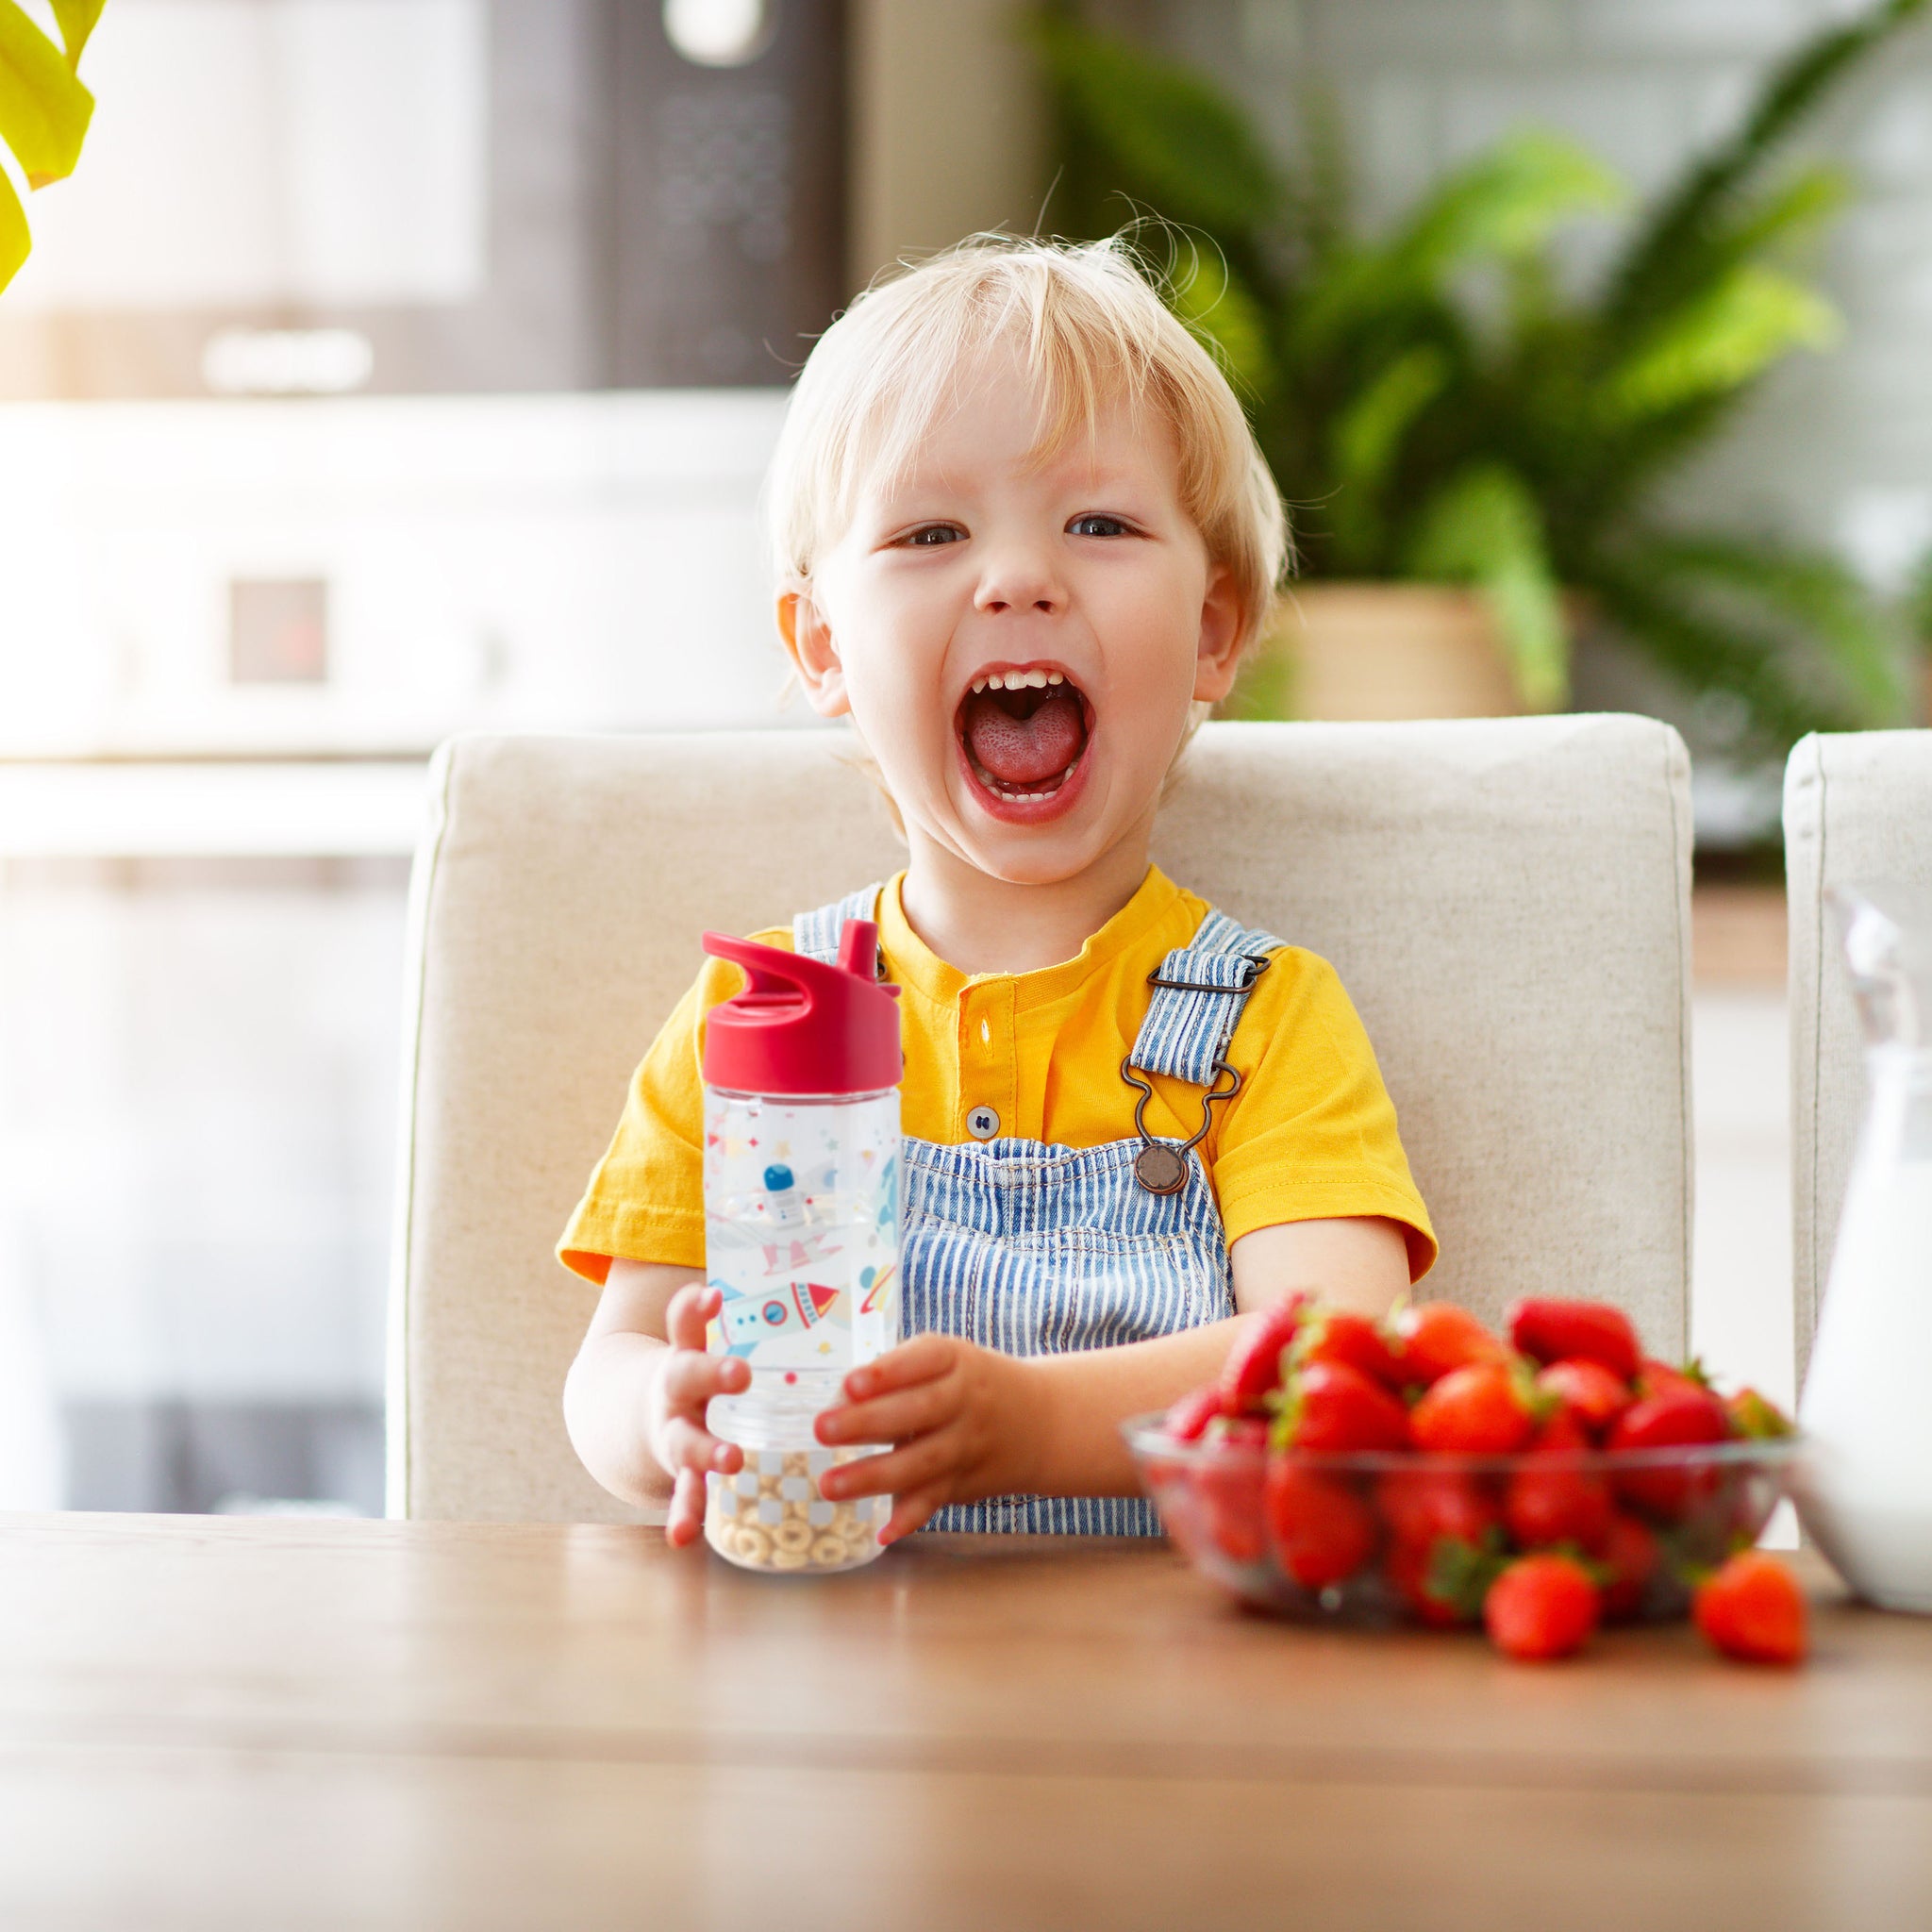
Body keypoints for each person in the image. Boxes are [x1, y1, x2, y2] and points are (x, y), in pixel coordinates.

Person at [558, 235, 1435, 1547]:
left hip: (1175, 1712)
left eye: (1099, 524)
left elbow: (1332, 1361)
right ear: (822, 647)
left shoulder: (1269, 1021)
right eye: (929, 532)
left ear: (1213, 632)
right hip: (842, 1684)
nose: (1019, 576)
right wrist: (661, 1416)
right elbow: (612, 1359)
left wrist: (1032, 1427)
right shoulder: (756, 1021)